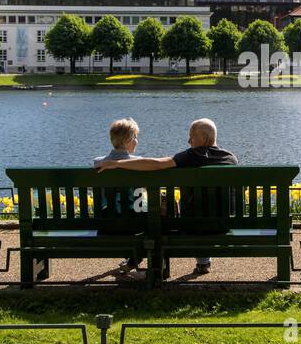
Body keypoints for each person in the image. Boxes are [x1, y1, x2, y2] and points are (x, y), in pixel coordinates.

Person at [96, 118, 237, 276]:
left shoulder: (192, 155)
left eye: (191, 136)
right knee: (200, 207)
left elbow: (157, 164)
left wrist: (118, 164)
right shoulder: (231, 158)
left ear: (204, 139)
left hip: (192, 225)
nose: (188, 140)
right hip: (223, 225)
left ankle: (156, 271)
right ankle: (203, 262)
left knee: (162, 214)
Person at [96, 118, 144, 273]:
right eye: (135, 137)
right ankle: (142, 262)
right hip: (133, 223)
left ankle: (132, 261)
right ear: (128, 140)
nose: (136, 141)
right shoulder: (139, 163)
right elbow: (139, 199)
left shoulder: (97, 163)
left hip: (105, 222)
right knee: (156, 222)